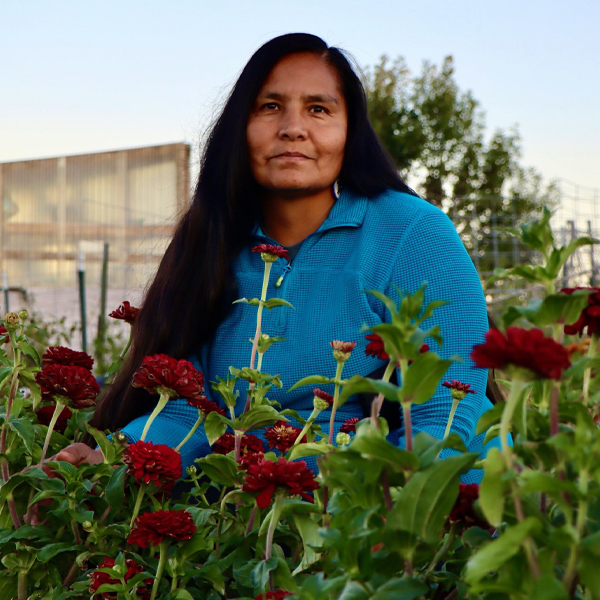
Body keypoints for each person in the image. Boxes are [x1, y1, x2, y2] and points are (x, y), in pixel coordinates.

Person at [57, 33, 502, 483]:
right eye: (270, 107)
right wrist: (111, 463)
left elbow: (446, 413)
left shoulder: (413, 232)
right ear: (240, 129)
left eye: (319, 109)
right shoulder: (210, 240)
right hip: (249, 507)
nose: (292, 127)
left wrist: (382, 519)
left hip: (384, 500)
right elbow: (186, 414)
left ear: (351, 131)